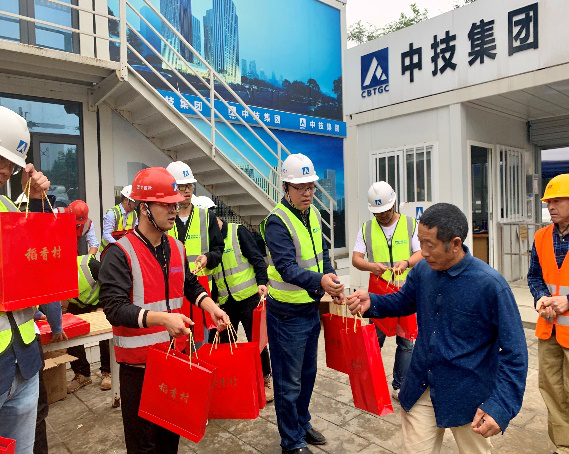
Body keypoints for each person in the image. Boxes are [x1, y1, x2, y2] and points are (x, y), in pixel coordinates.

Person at [347, 203, 528, 454]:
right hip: (421, 385)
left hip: (470, 396)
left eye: (429, 245)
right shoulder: (423, 270)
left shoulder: (490, 285)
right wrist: (373, 302)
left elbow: (515, 353)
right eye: (420, 242)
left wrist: (501, 406)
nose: (422, 252)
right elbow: (404, 300)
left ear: (454, 244)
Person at [100, 167, 229, 453]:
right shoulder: (120, 253)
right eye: (167, 205)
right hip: (139, 370)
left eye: (176, 204)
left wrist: (212, 308)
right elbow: (114, 309)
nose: (175, 210)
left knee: (169, 443)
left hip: (174, 362)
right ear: (144, 207)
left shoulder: (176, 247)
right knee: (143, 447)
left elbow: (189, 284)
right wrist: (162, 319)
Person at [260, 153, 345, 454]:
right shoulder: (276, 222)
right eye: (300, 187)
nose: (307, 193)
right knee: (288, 381)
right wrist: (321, 282)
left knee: (308, 374)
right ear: (285, 188)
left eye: (310, 187)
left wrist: (332, 279)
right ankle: (291, 441)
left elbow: (322, 255)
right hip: (286, 314)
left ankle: (301, 422)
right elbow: (286, 268)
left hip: (309, 309)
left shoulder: (313, 215)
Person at [0, 106, 51, 454]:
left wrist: (36, 203)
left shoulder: (8, 207)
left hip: (24, 362)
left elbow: (40, 260)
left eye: (11, 163)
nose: (5, 169)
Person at [352, 181, 421, 401]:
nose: (382, 215)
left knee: (406, 341)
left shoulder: (410, 224)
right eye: (377, 212)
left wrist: (407, 263)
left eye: (385, 210)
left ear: (393, 204)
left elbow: (421, 253)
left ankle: (400, 385)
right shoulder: (367, 228)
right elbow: (356, 259)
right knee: (374, 339)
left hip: (406, 292)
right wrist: (371, 266)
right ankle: (369, 383)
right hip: (379, 293)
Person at [209, 215, 274, 402]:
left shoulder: (237, 232)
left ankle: (265, 379)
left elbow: (258, 260)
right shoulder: (209, 241)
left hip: (249, 298)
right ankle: (231, 382)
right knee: (225, 344)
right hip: (225, 302)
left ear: (216, 219)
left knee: (257, 342)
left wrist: (262, 282)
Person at [527, 173, 569, 454]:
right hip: (549, 329)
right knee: (553, 389)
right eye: (548, 202)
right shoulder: (541, 236)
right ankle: (564, 446)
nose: (551, 207)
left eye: (558, 201)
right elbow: (534, 276)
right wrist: (540, 296)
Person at [166, 161, 224, 347]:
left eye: (189, 186)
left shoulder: (206, 217)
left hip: (200, 294)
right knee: (174, 348)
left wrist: (208, 257)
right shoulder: (163, 219)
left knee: (199, 348)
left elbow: (218, 250)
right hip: (172, 294)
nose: (186, 190)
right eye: (181, 186)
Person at [65, 255, 113, 392]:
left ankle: (107, 372)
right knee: (69, 331)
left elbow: (110, 284)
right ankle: (82, 374)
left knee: (105, 333)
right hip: (77, 304)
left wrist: (102, 306)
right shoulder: (52, 272)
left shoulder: (88, 265)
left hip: (99, 302)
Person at [100, 185, 138, 252]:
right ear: (126, 200)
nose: (135, 205)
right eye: (134, 202)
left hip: (125, 250)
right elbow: (106, 235)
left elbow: (135, 232)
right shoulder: (112, 213)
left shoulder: (134, 214)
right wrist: (119, 246)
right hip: (109, 251)